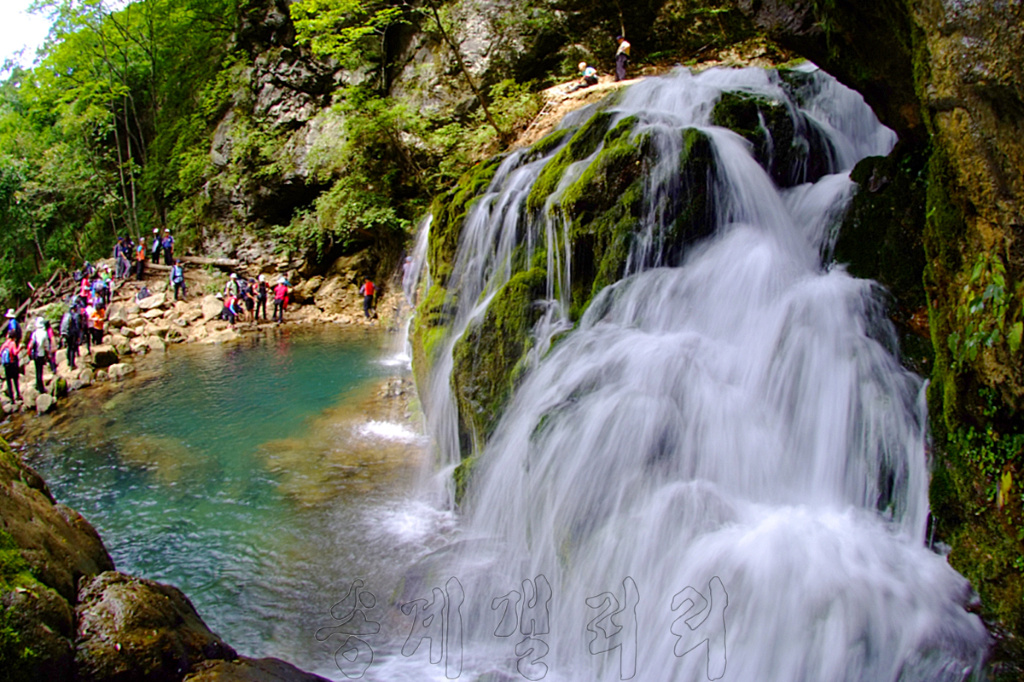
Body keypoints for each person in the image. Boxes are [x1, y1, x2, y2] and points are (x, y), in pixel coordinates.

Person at [28, 318, 50, 393]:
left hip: (35, 354)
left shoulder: (35, 333)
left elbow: (31, 344)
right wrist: (48, 354)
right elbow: (46, 346)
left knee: (37, 370)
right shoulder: (44, 333)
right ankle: (41, 388)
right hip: (41, 354)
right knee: (40, 371)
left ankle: (38, 385)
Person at [59, 303, 81, 370]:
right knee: (72, 348)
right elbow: (77, 326)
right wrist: (78, 336)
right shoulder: (75, 316)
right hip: (72, 334)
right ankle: (72, 364)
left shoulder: (66, 315)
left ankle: (68, 362)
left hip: (66, 333)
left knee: (68, 347)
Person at [1, 331, 20, 402]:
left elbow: (0, 352)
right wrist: (19, 348)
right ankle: (18, 394)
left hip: (6, 364)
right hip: (12, 363)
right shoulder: (12, 343)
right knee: (15, 380)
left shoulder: (5, 344)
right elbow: (15, 352)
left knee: (9, 381)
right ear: (14, 337)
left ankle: (11, 399)